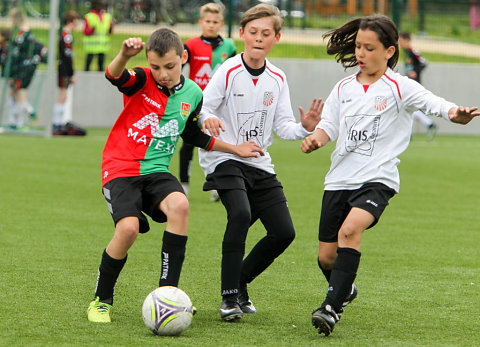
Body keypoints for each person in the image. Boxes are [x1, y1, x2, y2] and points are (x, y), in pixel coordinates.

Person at [300, 14, 479, 336]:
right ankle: (344, 288)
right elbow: (329, 125)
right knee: (326, 256)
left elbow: (435, 104)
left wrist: (456, 113)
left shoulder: (400, 87)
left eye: (369, 48)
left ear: (389, 51)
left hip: (378, 178)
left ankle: (331, 307)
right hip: (339, 179)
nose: (361, 53)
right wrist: (317, 138)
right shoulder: (342, 88)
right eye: (358, 46)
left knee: (351, 230)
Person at [86, 28, 264, 323]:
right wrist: (123, 56)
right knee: (128, 229)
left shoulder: (193, 93)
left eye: (169, 66)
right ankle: (101, 300)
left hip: (156, 171)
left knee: (180, 205)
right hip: (121, 168)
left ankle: (168, 296)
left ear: (183, 58)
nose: (163, 74)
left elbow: (193, 134)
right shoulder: (142, 79)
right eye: (156, 66)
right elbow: (114, 76)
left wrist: (235, 149)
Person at [198, 4, 323, 322]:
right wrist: (210, 119)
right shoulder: (227, 71)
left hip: (258, 162)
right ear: (241, 34)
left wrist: (305, 127)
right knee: (240, 213)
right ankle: (229, 299)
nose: (258, 38)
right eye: (252, 32)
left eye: (265, 33)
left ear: (276, 38)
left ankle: (240, 282)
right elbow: (204, 109)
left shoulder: (278, 78)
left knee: (284, 232)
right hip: (224, 156)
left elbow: (283, 128)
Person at [179, 2, 236, 201]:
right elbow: (178, 68)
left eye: (215, 22)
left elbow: (235, 73)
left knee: (216, 142)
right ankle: (183, 185)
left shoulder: (229, 46)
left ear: (221, 24)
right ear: (200, 22)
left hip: (219, 103)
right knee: (188, 142)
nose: (211, 25)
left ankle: (217, 184)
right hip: (194, 101)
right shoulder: (191, 44)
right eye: (207, 21)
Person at [3, 8, 47, 130]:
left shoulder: (24, 33)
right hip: (18, 67)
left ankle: (26, 116)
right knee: (13, 92)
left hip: (23, 68)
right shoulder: (20, 33)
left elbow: (22, 50)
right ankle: (15, 120)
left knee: (19, 92)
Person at [52, 10, 86, 136]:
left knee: (64, 96)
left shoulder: (65, 34)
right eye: (75, 22)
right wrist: (71, 73)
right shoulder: (66, 35)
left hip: (64, 68)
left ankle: (58, 123)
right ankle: (56, 124)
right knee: (62, 95)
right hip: (64, 69)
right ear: (70, 21)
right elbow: (67, 56)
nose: (76, 25)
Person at [398, 31, 436, 139]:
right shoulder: (406, 53)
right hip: (408, 84)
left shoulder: (413, 51)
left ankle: (428, 125)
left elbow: (424, 62)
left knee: (408, 107)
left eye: (401, 41)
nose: (400, 43)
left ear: (407, 41)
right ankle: (428, 125)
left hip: (414, 85)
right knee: (408, 107)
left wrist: (415, 71)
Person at [83, 0, 113, 71]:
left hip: (102, 45)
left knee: (101, 63)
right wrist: (92, 30)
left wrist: (111, 28)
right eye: (99, 4)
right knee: (88, 62)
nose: (101, 5)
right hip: (91, 45)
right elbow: (86, 31)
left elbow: (109, 30)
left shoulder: (107, 16)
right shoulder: (89, 16)